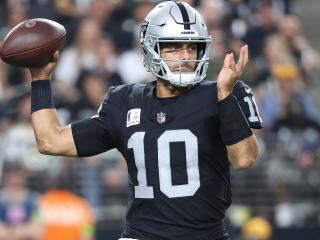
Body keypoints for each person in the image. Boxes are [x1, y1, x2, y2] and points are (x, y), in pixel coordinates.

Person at [28, 1, 262, 239]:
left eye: (192, 48)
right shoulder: (125, 101)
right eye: (174, 47)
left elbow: (244, 159)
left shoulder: (225, 93)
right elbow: (51, 141)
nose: (186, 56)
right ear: (152, 48)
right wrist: (39, 78)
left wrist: (225, 95)